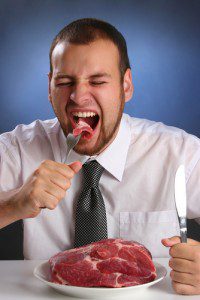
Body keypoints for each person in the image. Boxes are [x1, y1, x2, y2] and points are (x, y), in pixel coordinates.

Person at [0, 18, 200, 295]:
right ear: (49, 87)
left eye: (97, 81)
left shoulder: (181, 153)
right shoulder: (16, 149)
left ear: (126, 85)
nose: (79, 96)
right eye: (65, 81)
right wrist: (12, 203)